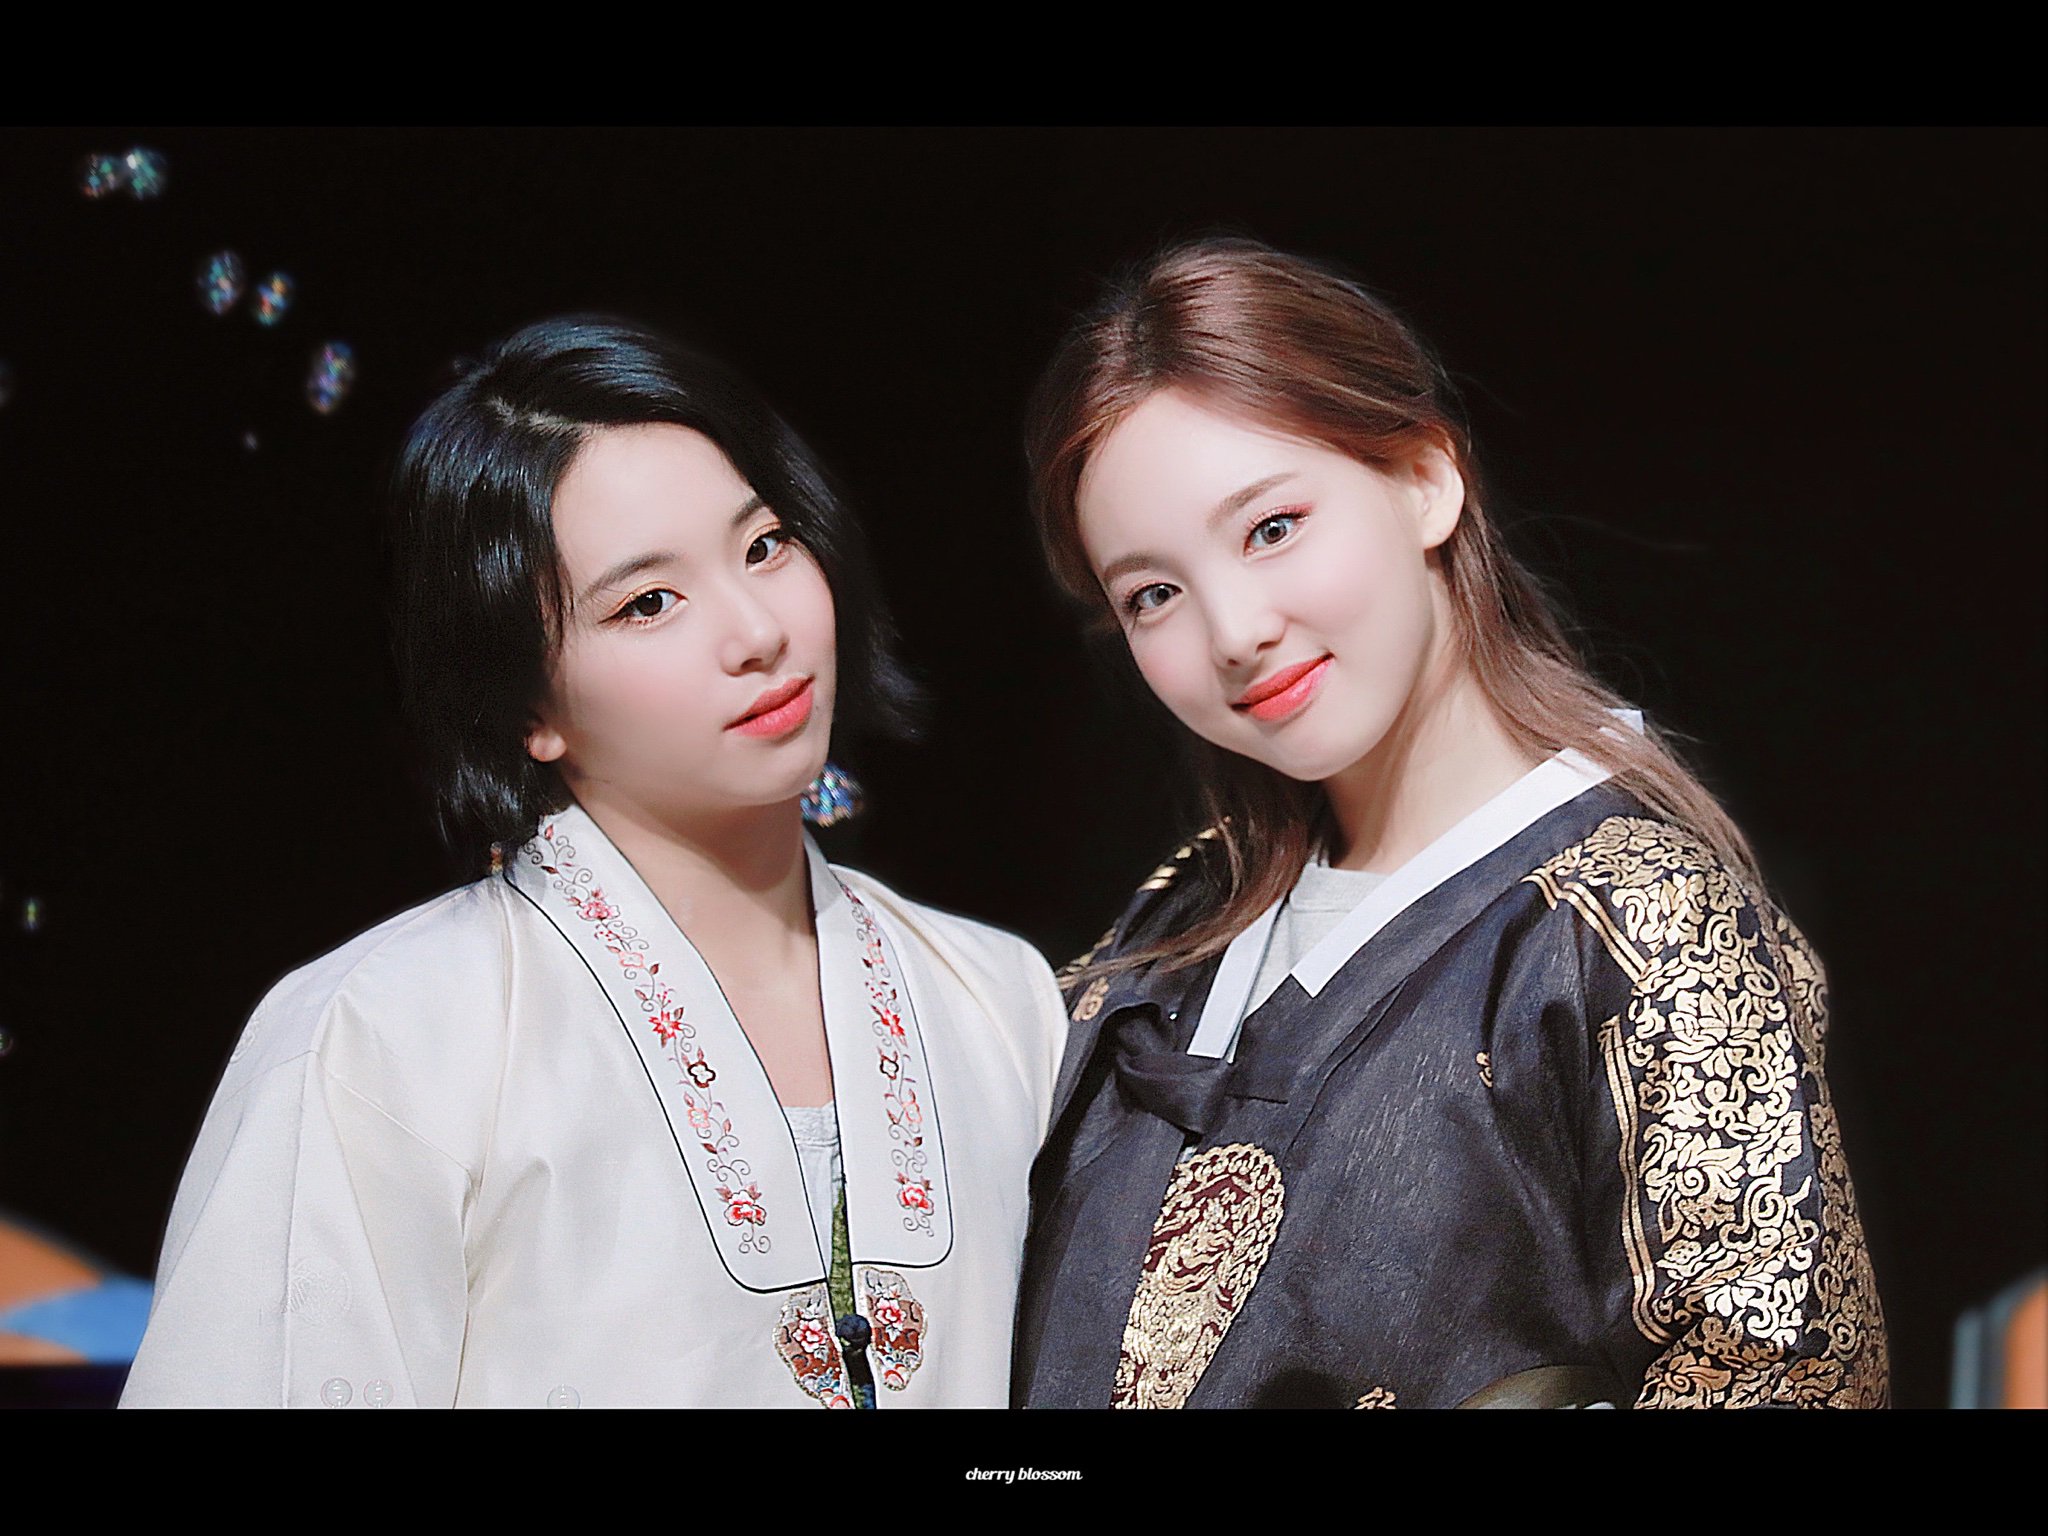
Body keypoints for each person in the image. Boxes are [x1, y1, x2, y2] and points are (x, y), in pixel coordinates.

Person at [121, 317, 1066, 1408]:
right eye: (647, 603)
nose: (756, 630)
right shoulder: (384, 1035)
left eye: (764, 545)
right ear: (524, 702)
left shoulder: (1000, 999)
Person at [1012, 237, 1888, 1410]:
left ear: (1425, 478)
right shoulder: (1171, 926)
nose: (1232, 631)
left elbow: (1784, 1376)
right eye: (1152, 593)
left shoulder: (1637, 917)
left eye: (1271, 528)